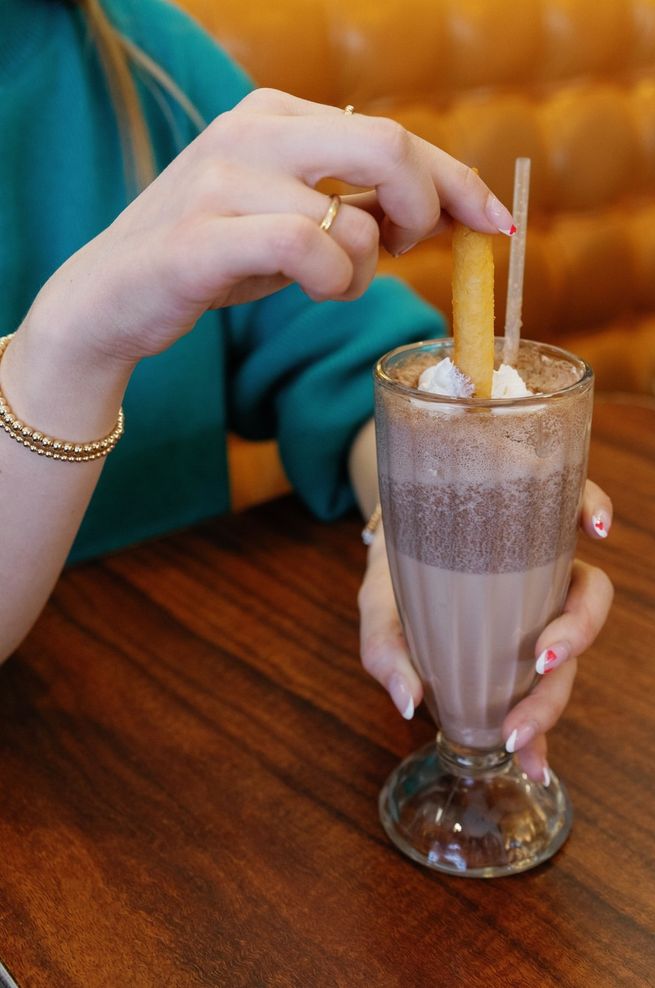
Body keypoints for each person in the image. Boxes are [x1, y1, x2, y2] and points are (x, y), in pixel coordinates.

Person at [0, 0, 613, 783]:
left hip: (194, 720)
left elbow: (351, 367)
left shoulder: (140, 53)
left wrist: (416, 520)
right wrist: (71, 342)